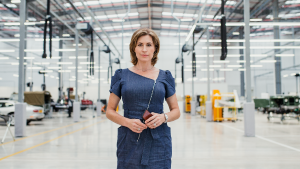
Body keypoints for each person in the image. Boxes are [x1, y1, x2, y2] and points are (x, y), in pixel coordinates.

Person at [106, 28, 180, 169]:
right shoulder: (121, 76)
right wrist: (127, 122)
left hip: (158, 140)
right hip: (129, 140)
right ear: (134, 48)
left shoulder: (165, 76)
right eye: (140, 45)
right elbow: (109, 111)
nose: (144, 49)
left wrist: (163, 117)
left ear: (155, 49)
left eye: (149, 45)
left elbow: (176, 111)